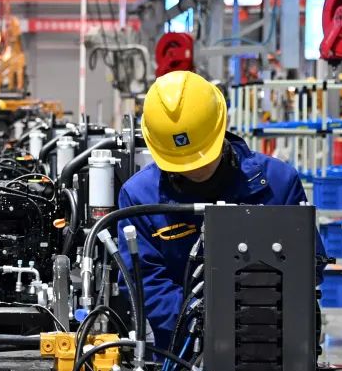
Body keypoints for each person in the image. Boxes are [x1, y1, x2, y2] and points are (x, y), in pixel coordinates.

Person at [117, 70, 324, 350]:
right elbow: (144, 282)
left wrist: (250, 313)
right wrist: (204, 325)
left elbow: (310, 266)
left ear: (220, 126)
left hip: (270, 344)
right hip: (180, 350)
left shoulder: (277, 183)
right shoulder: (140, 197)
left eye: (201, 157)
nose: (194, 168)